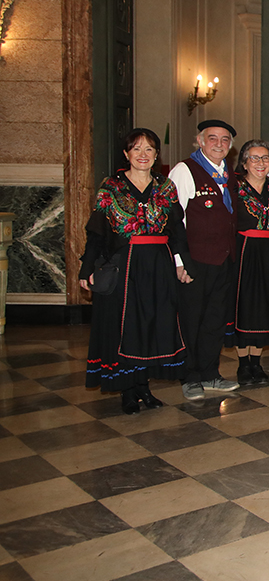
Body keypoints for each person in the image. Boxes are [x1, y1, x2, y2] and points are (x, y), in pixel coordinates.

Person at [79, 128, 187, 414]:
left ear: (156, 155)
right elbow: (97, 233)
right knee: (125, 327)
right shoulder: (111, 188)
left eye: (149, 149)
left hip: (158, 266)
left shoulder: (166, 188)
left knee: (151, 326)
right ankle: (127, 390)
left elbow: (178, 231)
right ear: (126, 154)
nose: (143, 155)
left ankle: (144, 387)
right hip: (124, 265)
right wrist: (86, 268)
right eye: (136, 149)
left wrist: (182, 263)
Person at [169, 119, 243, 399]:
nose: (219, 144)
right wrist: (180, 262)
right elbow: (174, 221)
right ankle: (189, 376)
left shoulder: (228, 174)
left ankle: (210, 373)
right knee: (191, 320)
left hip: (224, 259)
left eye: (225, 140)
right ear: (200, 141)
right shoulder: (185, 171)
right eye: (213, 138)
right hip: (195, 261)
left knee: (214, 319)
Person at [227, 140, 269, 385]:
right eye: (254, 158)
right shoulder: (233, 187)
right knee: (245, 306)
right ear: (244, 162)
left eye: (265, 158)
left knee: (265, 307)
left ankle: (257, 363)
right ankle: (243, 365)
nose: (260, 163)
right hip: (244, 251)